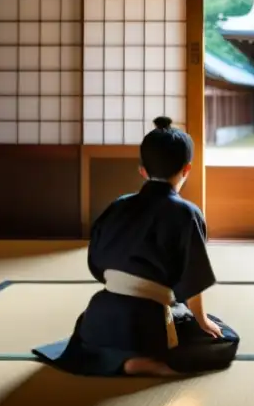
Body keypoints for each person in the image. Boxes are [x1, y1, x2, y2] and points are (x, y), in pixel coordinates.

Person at [34, 116, 240, 377]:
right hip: (148, 321)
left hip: (98, 313)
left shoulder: (119, 204)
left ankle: (113, 357)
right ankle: (143, 360)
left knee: (85, 342)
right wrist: (201, 320)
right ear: (187, 169)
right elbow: (193, 278)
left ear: (142, 170)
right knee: (226, 337)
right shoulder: (187, 213)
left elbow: (97, 265)